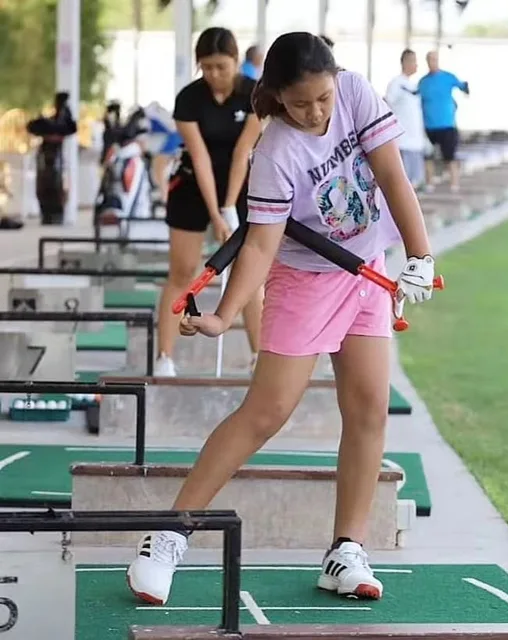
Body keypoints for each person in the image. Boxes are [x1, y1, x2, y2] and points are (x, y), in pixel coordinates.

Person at [126, 31, 435, 605]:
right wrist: (223, 316)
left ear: (335, 80)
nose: (315, 112)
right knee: (266, 411)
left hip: (363, 271)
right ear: (275, 96)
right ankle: (168, 535)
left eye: (322, 98)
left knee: (368, 407)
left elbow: (393, 176)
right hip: (303, 283)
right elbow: (263, 248)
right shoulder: (273, 152)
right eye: (300, 103)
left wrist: (419, 255)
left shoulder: (357, 94)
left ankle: (346, 549)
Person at [154, 27, 264, 376]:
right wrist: (216, 215)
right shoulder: (189, 98)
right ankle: (165, 357)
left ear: (236, 61)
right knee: (183, 271)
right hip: (191, 185)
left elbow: (242, 152)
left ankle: (258, 357)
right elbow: (199, 157)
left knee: (249, 274)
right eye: (207, 67)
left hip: (243, 185)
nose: (215, 74)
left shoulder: (256, 95)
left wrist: (229, 207)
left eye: (222, 66)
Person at [417, 50, 469, 192]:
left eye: (434, 59)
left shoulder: (448, 77)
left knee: (450, 156)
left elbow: (463, 87)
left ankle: (454, 184)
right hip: (429, 125)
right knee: (428, 156)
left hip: (447, 124)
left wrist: (466, 89)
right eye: (429, 60)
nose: (432, 62)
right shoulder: (423, 82)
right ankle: (429, 184)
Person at [384, 49, 426, 190]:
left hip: (416, 140)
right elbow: (387, 104)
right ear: (405, 62)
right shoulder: (396, 84)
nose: (416, 65)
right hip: (403, 140)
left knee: (415, 180)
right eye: (413, 61)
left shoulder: (413, 85)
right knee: (404, 181)